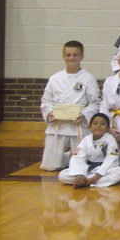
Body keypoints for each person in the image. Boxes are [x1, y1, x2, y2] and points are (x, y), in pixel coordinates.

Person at [40, 40, 100, 171]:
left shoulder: (88, 78)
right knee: (49, 166)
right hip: (57, 124)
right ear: (63, 56)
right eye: (68, 55)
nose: (71, 58)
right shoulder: (55, 78)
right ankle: (67, 158)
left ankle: (71, 158)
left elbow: (95, 103)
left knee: (83, 165)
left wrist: (84, 115)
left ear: (82, 56)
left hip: (77, 125)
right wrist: (50, 113)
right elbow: (46, 101)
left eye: (75, 55)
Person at [58, 113, 120, 188]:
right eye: (95, 123)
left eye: (102, 124)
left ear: (107, 128)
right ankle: (83, 180)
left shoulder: (110, 139)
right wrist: (79, 174)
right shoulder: (86, 140)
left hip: (104, 170)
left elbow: (111, 159)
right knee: (62, 175)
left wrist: (96, 176)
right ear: (90, 127)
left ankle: (87, 182)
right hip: (88, 169)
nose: (98, 126)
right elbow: (78, 158)